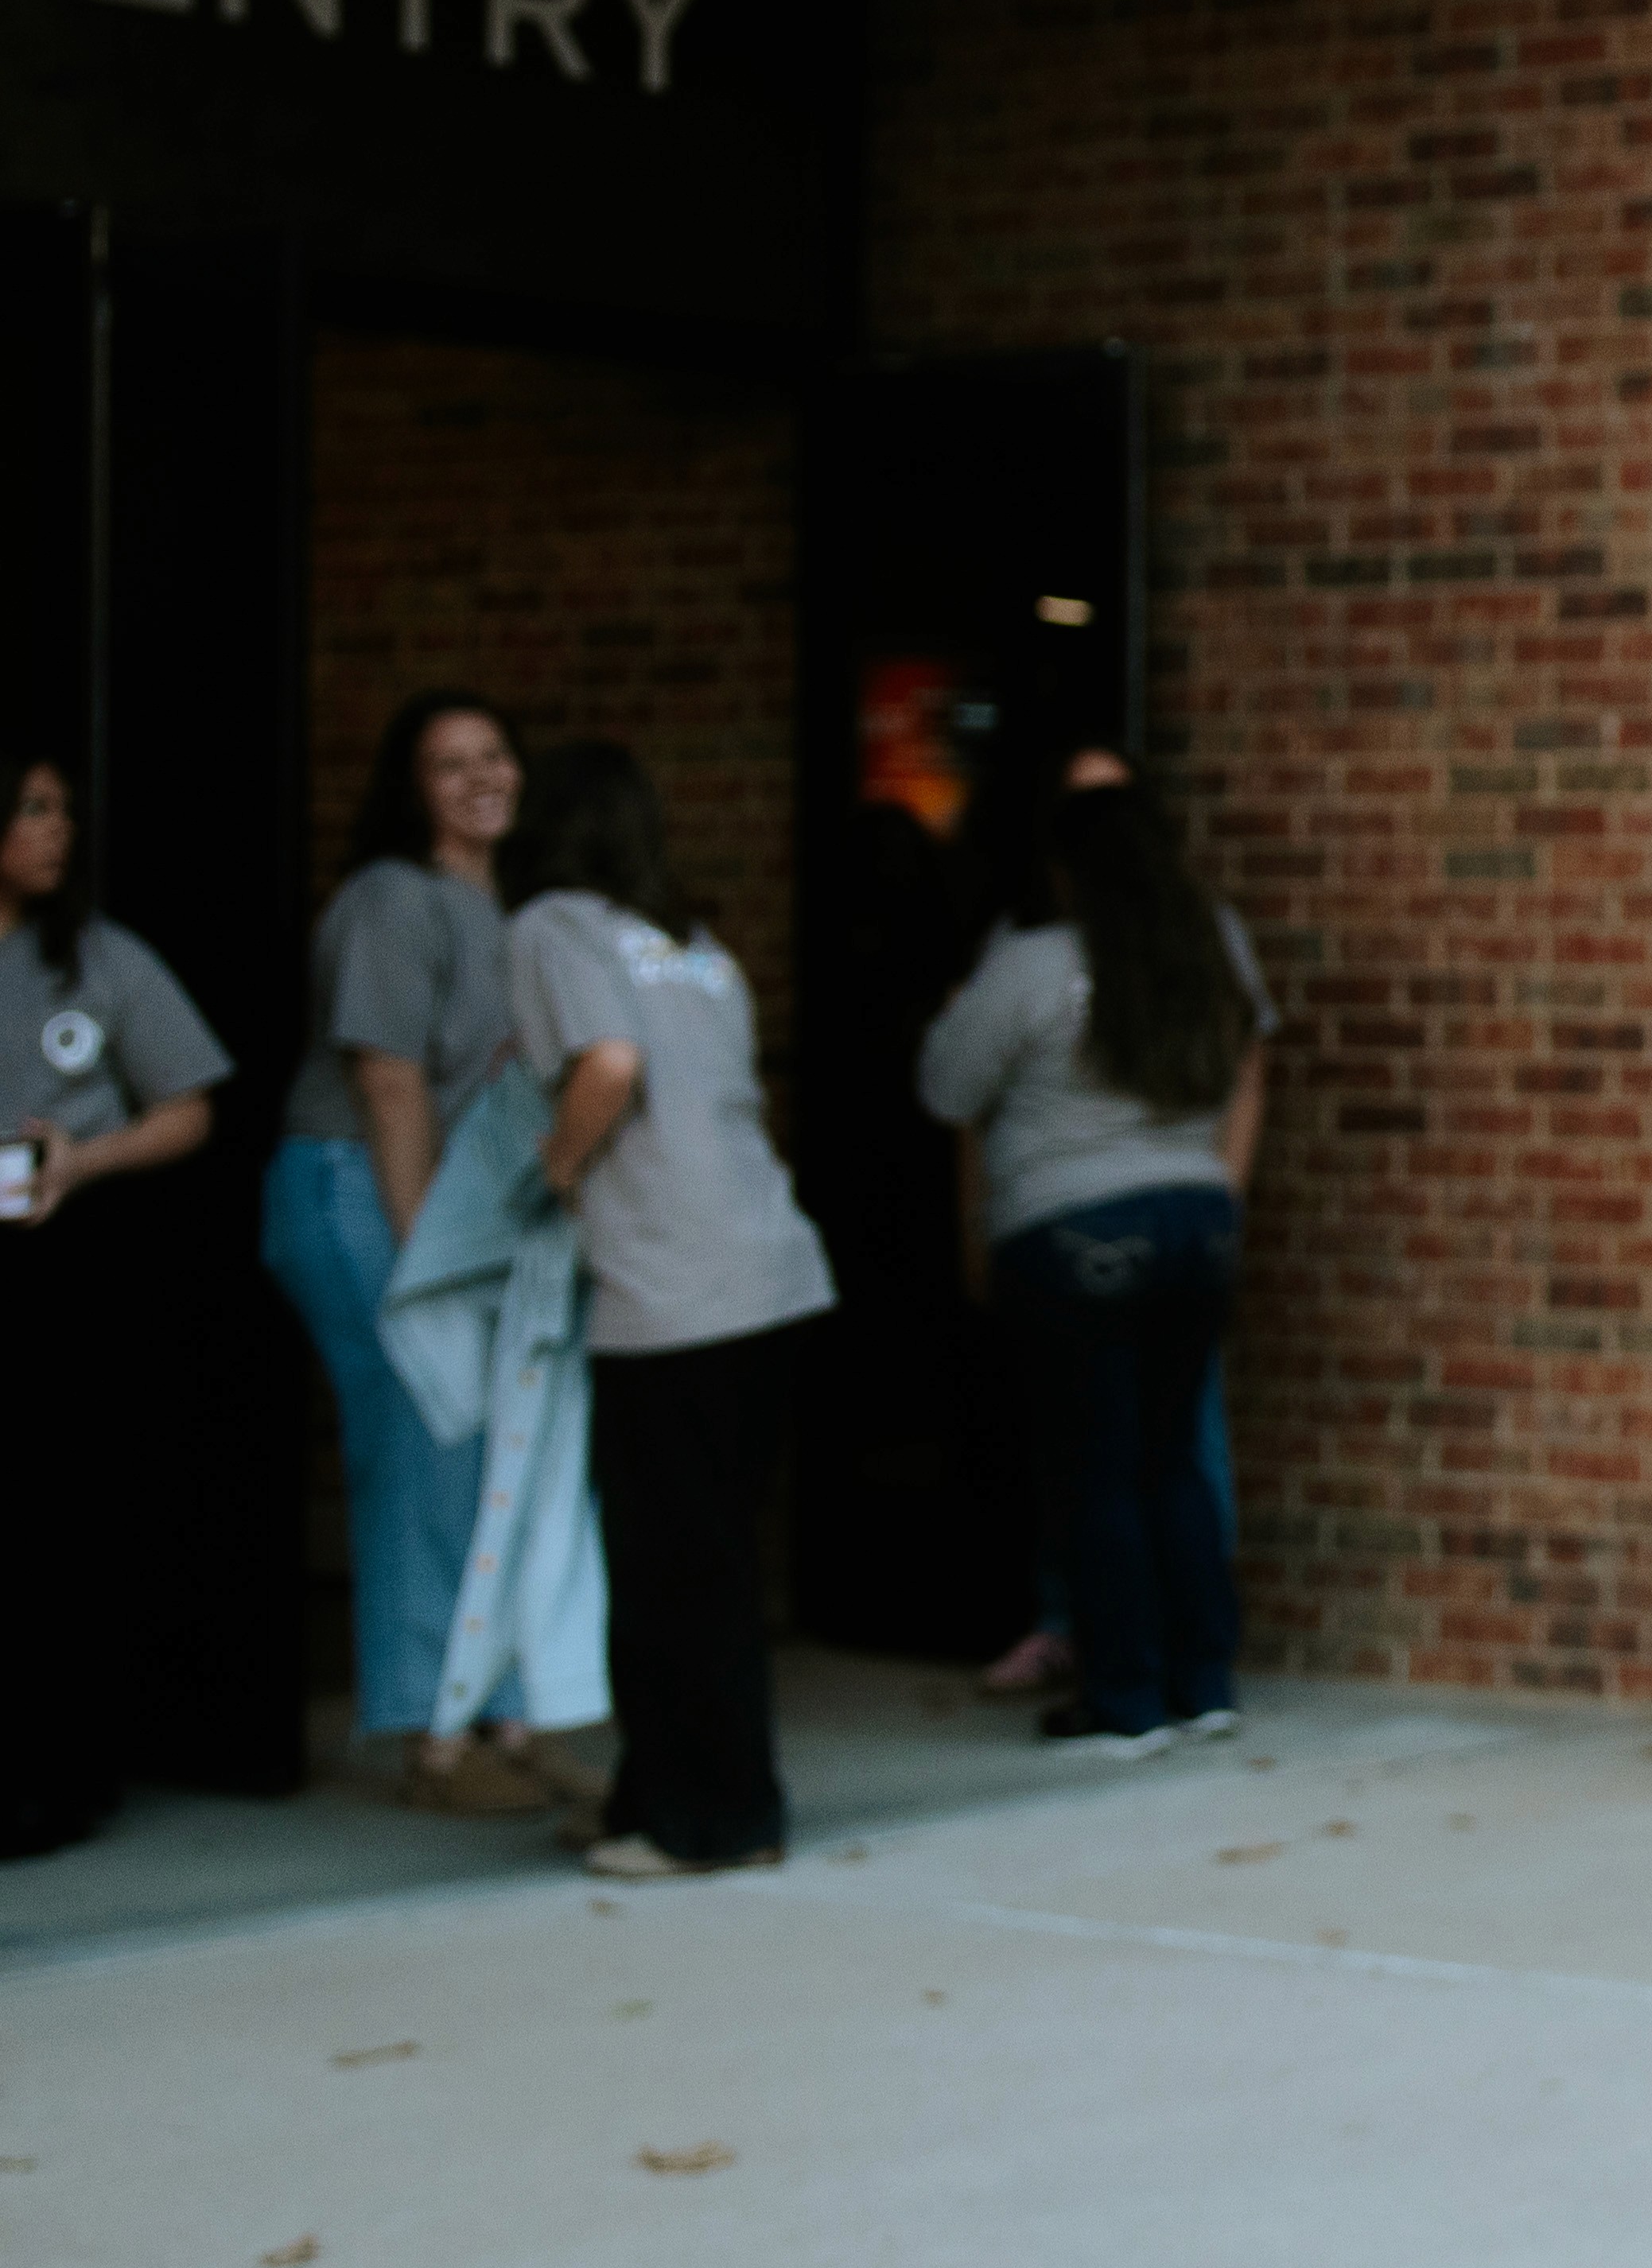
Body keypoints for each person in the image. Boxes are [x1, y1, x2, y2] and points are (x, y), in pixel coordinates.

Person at [505, 741, 838, 1880]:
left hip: (668, 1284)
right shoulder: (697, 947)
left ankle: (709, 1818)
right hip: (770, 1266)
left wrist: (554, 1163)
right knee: (714, 1559)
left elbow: (607, 1060)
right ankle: (652, 1792)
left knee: (667, 1570)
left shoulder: (554, 925)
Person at [919, 771, 1269, 1759]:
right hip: (1197, 1218)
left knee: (1098, 1471)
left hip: (1073, 1229)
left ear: (1066, 870)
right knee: (1172, 1462)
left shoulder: (1034, 963)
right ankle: (1206, 1680)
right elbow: (1246, 1064)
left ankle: (1125, 1696)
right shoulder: (1201, 952)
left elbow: (946, 1086)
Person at [260, 689, 566, 1812]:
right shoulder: (393, 899)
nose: (481, 775)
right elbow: (387, 1078)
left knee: (481, 1454)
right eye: (450, 763)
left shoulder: (515, 906)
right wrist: (426, 1252)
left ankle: (497, 1714)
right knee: (427, 1446)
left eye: (495, 752)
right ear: (412, 787)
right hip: (362, 1188)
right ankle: (434, 1737)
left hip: (448, 1206)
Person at [0, 734, 241, 1858]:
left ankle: (58, 1771)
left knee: (60, 1516)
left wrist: (84, 1160)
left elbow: (190, 1100)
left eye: (63, 808)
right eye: (33, 806)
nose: (56, 828)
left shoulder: (99, 958)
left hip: (68, 1266)